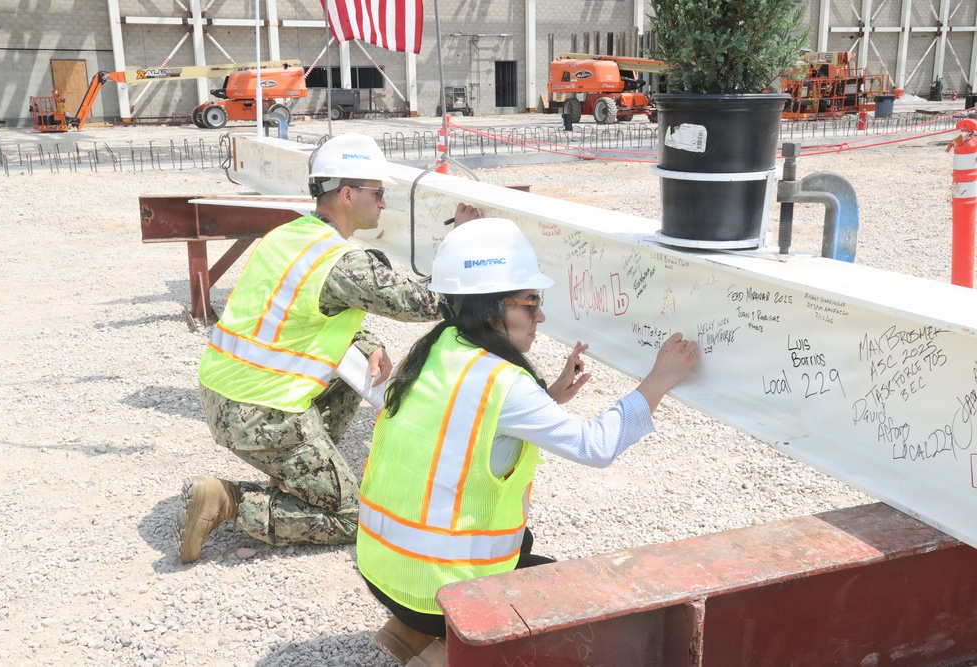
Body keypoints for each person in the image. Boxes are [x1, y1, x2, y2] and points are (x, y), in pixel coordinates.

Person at [355, 218, 700, 666]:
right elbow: (594, 446)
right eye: (531, 302)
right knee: (582, 608)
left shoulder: (435, 349)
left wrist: (550, 397)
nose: (540, 316)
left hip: (384, 568)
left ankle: (409, 631)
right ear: (490, 308)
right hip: (440, 589)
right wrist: (659, 380)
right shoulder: (504, 382)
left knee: (523, 540)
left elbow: (467, 430)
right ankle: (447, 648)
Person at [177, 133, 479, 565]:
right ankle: (228, 503)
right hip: (259, 411)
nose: (384, 204)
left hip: (222, 392)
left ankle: (305, 471)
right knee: (353, 517)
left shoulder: (289, 235)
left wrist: (365, 339)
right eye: (378, 193)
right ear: (348, 194)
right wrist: (466, 242)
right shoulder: (341, 261)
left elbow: (294, 309)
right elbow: (426, 302)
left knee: (349, 376)